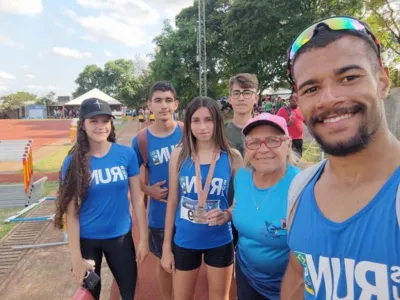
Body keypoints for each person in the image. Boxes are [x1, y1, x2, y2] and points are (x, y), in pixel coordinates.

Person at [280, 16, 400, 299]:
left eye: (348, 77)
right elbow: (298, 277)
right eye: (312, 88)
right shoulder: (300, 188)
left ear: (382, 81)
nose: (329, 99)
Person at [54, 98, 149, 300]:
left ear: (111, 124)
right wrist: (76, 257)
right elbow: (70, 213)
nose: (100, 126)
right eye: (93, 121)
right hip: (87, 240)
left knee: (128, 293)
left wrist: (144, 238)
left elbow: (138, 200)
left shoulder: (126, 154)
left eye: (105, 121)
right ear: (83, 125)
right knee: (90, 295)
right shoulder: (72, 163)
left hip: (120, 238)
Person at [161, 96, 242, 300]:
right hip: (185, 239)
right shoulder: (178, 155)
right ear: (188, 123)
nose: (202, 127)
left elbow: (242, 200)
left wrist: (228, 214)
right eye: (196, 120)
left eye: (209, 120)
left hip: (220, 239)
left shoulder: (232, 157)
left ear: (218, 122)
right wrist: (166, 248)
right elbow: (172, 202)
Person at [233, 113, 300, 299]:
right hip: (246, 275)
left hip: (286, 287)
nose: (262, 149)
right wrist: (226, 215)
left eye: (272, 140)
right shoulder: (241, 176)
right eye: (253, 142)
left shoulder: (301, 186)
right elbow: (241, 209)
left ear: (288, 143)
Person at [131, 81, 182, 300]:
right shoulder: (141, 140)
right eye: (158, 100)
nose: (164, 106)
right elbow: (130, 178)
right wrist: (147, 190)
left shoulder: (186, 131)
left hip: (188, 213)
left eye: (168, 100)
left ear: (176, 104)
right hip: (159, 216)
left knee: (186, 265)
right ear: (149, 105)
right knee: (164, 262)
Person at [225, 73, 259, 299]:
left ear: (255, 97)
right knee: (228, 261)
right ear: (229, 98)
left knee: (256, 258)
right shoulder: (221, 132)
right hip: (228, 203)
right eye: (236, 93)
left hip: (258, 203)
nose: (241, 98)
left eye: (247, 93)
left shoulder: (265, 127)